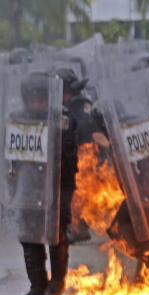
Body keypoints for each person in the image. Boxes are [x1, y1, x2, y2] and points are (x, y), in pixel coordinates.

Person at [13, 70, 79, 295]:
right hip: (29, 184)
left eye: (41, 99)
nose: (37, 104)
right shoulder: (17, 119)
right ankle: (37, 286)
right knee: (29, 234)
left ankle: (57, 282)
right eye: (33, 99)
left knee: (56, 232)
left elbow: (68, 152)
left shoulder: (62, 119)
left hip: (58, 184)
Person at [52, 66, 97, 244]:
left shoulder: (80, 105)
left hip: (85, 154)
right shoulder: (70, 105)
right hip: (74, 154)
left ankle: (79, 227)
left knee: (78, 190)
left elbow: (86, 129)